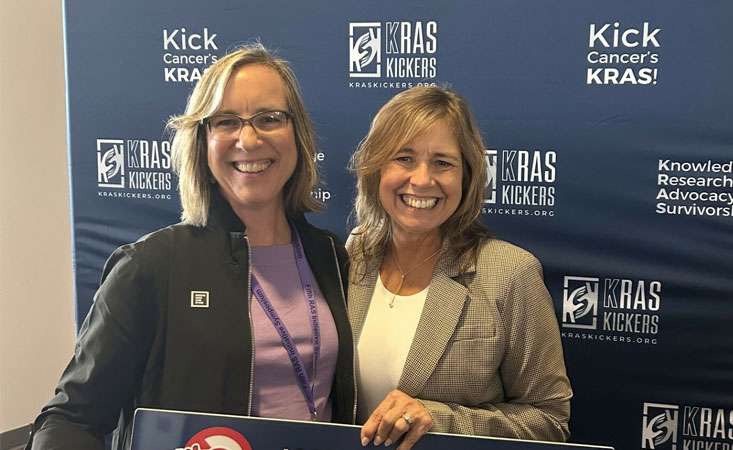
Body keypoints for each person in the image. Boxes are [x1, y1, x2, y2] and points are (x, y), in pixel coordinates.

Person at [27, 44, 355, 450]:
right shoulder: (151, 265)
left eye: (270, 119)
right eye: (226, 121)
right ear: (202, 140)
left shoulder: (330, 257)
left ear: (297, 134)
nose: (249, 139)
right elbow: (69, 420)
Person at [347, 86, 572, 450]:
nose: (421, 180)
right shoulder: (354, 255)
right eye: (403, 158)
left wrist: (440, 418)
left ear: (466, 176)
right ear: (375, 169)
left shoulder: (511, 273)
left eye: (442, 163)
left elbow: (549, 420)